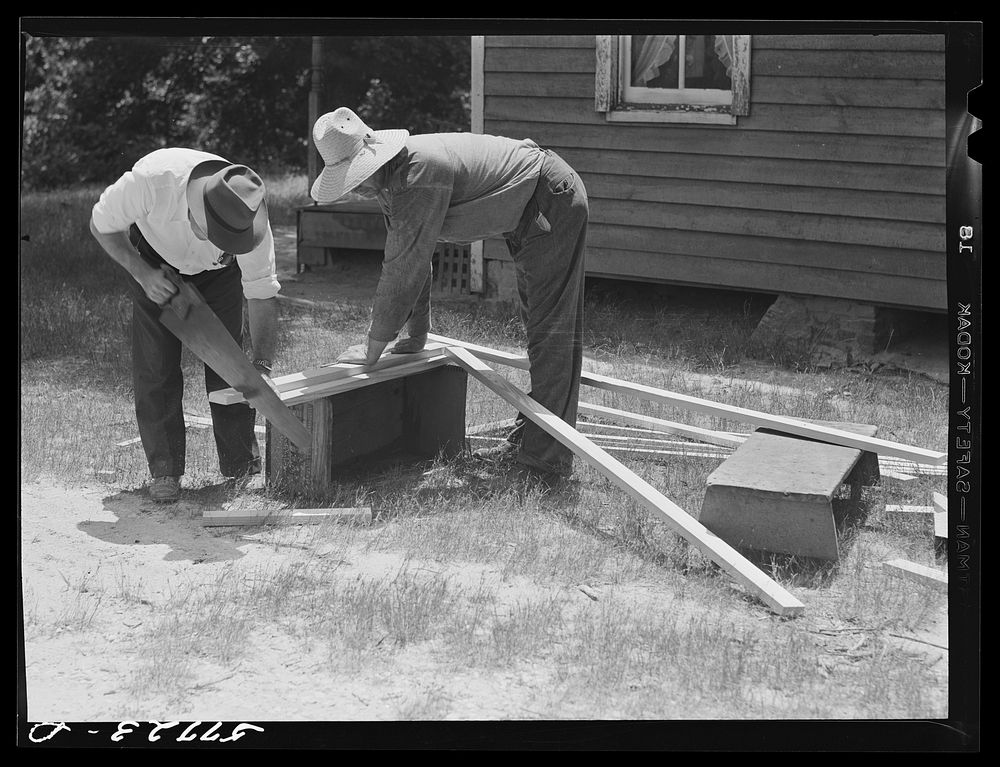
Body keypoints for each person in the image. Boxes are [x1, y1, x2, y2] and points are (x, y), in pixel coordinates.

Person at [310, 107, 589, 482]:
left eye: (355, 178)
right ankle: (533, 438)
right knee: (539, 325)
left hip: (549, 199)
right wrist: (415, 336)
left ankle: (545, 463)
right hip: (528, 209)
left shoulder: (417, 176)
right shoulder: (392, 182)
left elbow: (401, 271)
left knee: (551, 330)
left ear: (371, 159)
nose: (355, 189)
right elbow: (413, 256)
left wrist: (372, 350)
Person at [89, 148, 281, 501]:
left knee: (232, 369)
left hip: (219, 276)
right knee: (155, 366)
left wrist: (263, 365)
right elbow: (101, 225)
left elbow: (261, 292)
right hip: (153, 263)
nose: (216, 239)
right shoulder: (151, 182)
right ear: (195, 204)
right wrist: (143, 274)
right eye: (212, 231)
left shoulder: (247, 212)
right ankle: (165, 470)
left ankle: (241, 466)